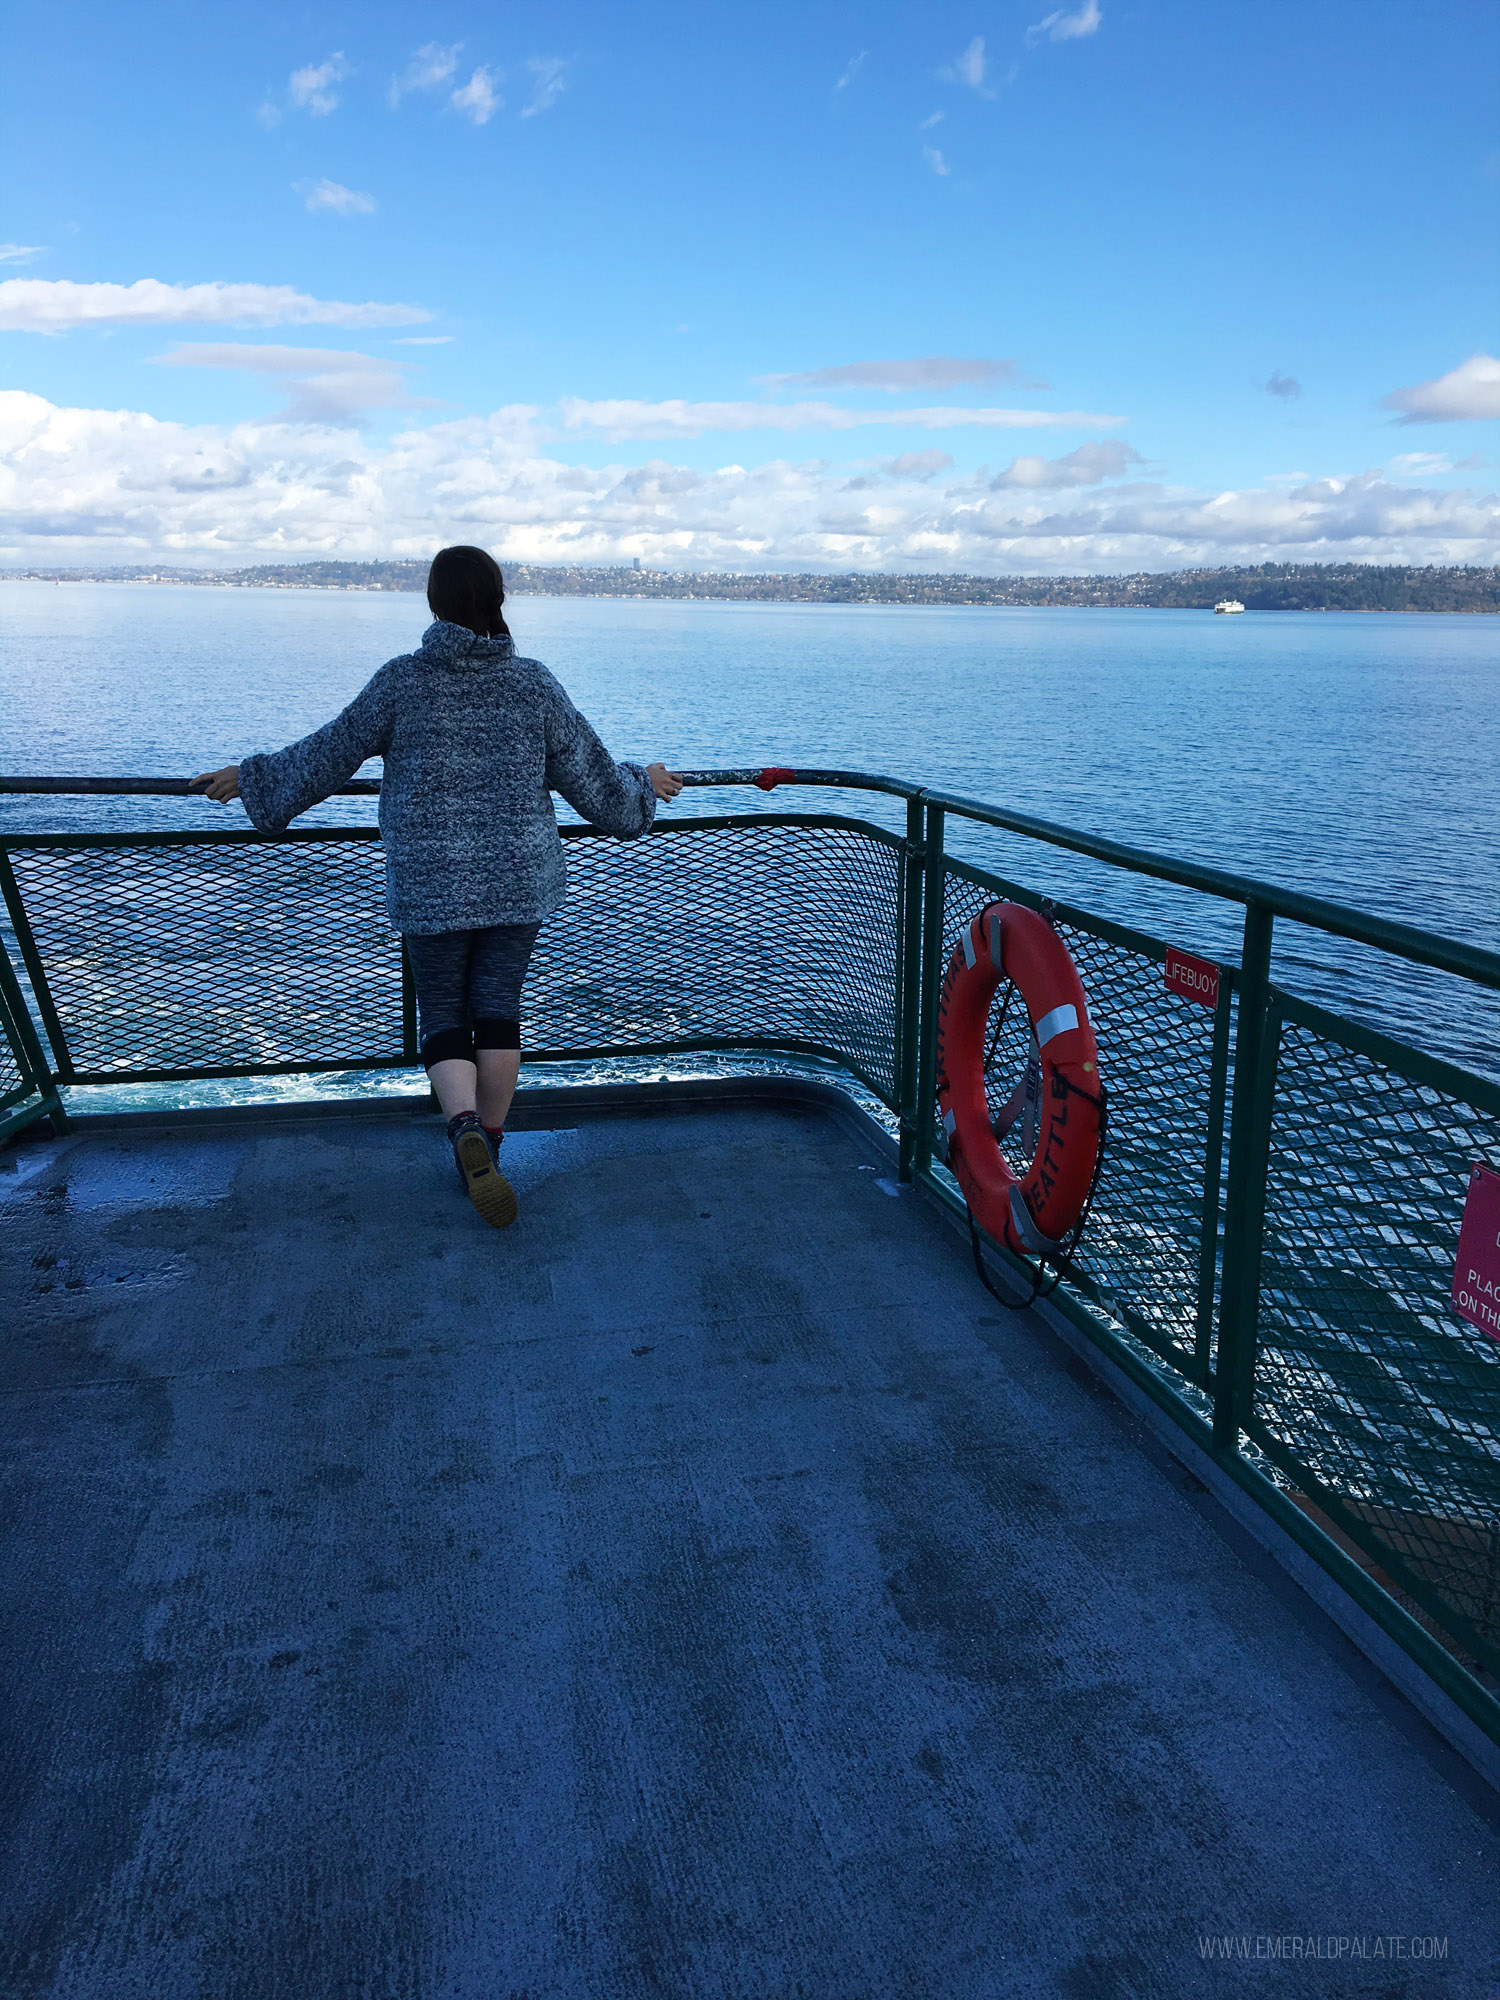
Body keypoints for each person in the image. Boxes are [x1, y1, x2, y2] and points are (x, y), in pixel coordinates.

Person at [193, 545, 683, 1229]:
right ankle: (494, 1141)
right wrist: (642, 786)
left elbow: (331, 752)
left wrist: (256, 777)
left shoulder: (403, 681)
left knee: (445, 1014)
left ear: (433, 604)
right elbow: (594, 781)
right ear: (499, 600)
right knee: (498, 1008)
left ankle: (462, 1130)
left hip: (431, 885)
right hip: (519, 881)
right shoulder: (534, 685)